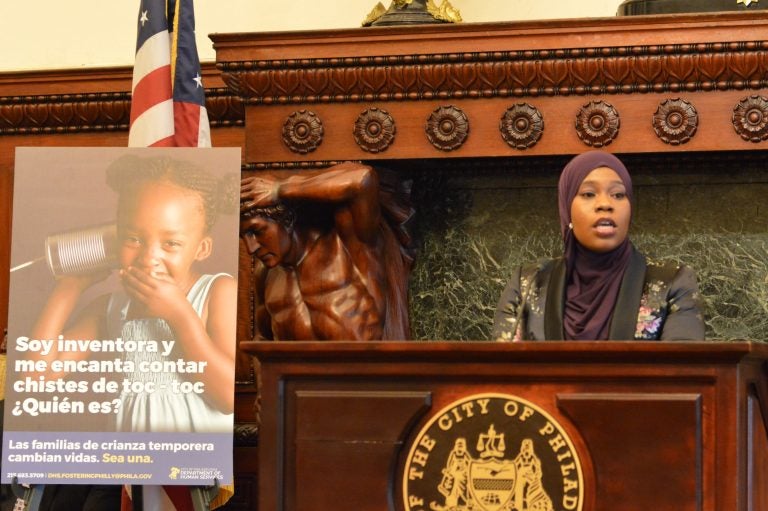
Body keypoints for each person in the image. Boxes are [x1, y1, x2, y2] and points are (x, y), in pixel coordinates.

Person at [30, 155, 238, 432]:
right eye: (133, 239)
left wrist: (180, 315)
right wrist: (70, 286)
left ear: (202, 249)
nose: (148, 257)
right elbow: (36, 377)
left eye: (171, 243)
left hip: (194, 470)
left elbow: (228, 397)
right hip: (129, 466)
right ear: (116, 240)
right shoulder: (110, 308)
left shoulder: (218, 292)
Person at [492, 150, 705, 341]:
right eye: (588, 194)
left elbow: (685, 375)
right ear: (567, 209)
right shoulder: (529, 282)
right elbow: (501, 372)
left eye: (618, 195)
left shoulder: (671, 283)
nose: (605, 204)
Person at [239, 162, 414, 341]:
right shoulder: (265, 275)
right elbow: (262, 342)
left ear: (288, 219)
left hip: (362, 367)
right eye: (243, 237)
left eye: (257, 231)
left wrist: (280, 190)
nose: (250, 248)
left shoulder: (347, 245)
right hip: (294, 369)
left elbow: (363, 178)